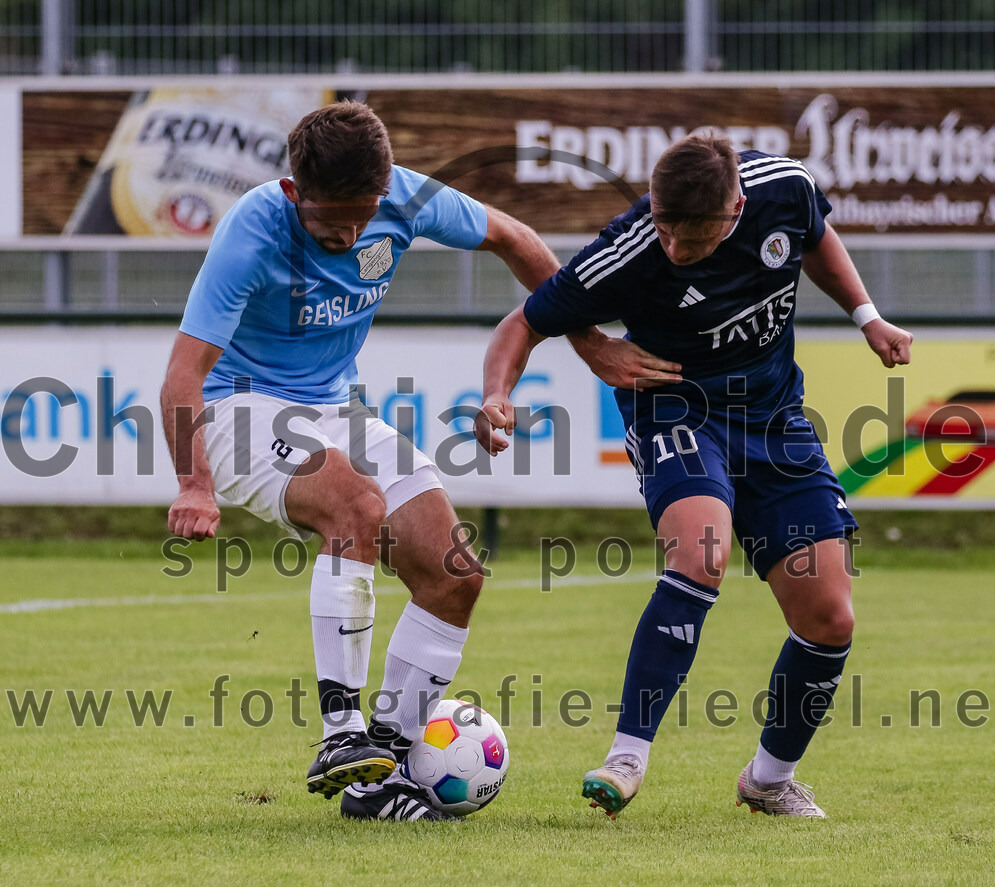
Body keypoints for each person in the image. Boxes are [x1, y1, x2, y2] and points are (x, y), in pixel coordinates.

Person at [160, 100, 667, 822]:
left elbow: (516, 238)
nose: (353, 232)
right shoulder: (252, 230)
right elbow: (183, 373)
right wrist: (193, 482)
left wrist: (592, 346)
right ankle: (342, 733)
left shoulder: (406, 196)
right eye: (335, 220)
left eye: (365, 216)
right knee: (356, 505)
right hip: (234, 408)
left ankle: (384, 771)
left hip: (333, 407)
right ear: (294, 192)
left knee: (454, 574)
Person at [475, 133, 913, 819]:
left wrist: (867, 315)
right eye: (665, 229)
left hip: (774, 421)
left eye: (694, 239)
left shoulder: (785, 188)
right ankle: (626, 755)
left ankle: (769, 779)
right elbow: (522, 324)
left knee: (829, 616)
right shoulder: (631, 248)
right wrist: (497, 395)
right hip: (675, 411)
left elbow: (815, 235)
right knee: (701, 552)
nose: (675, 248)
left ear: (737, 207)